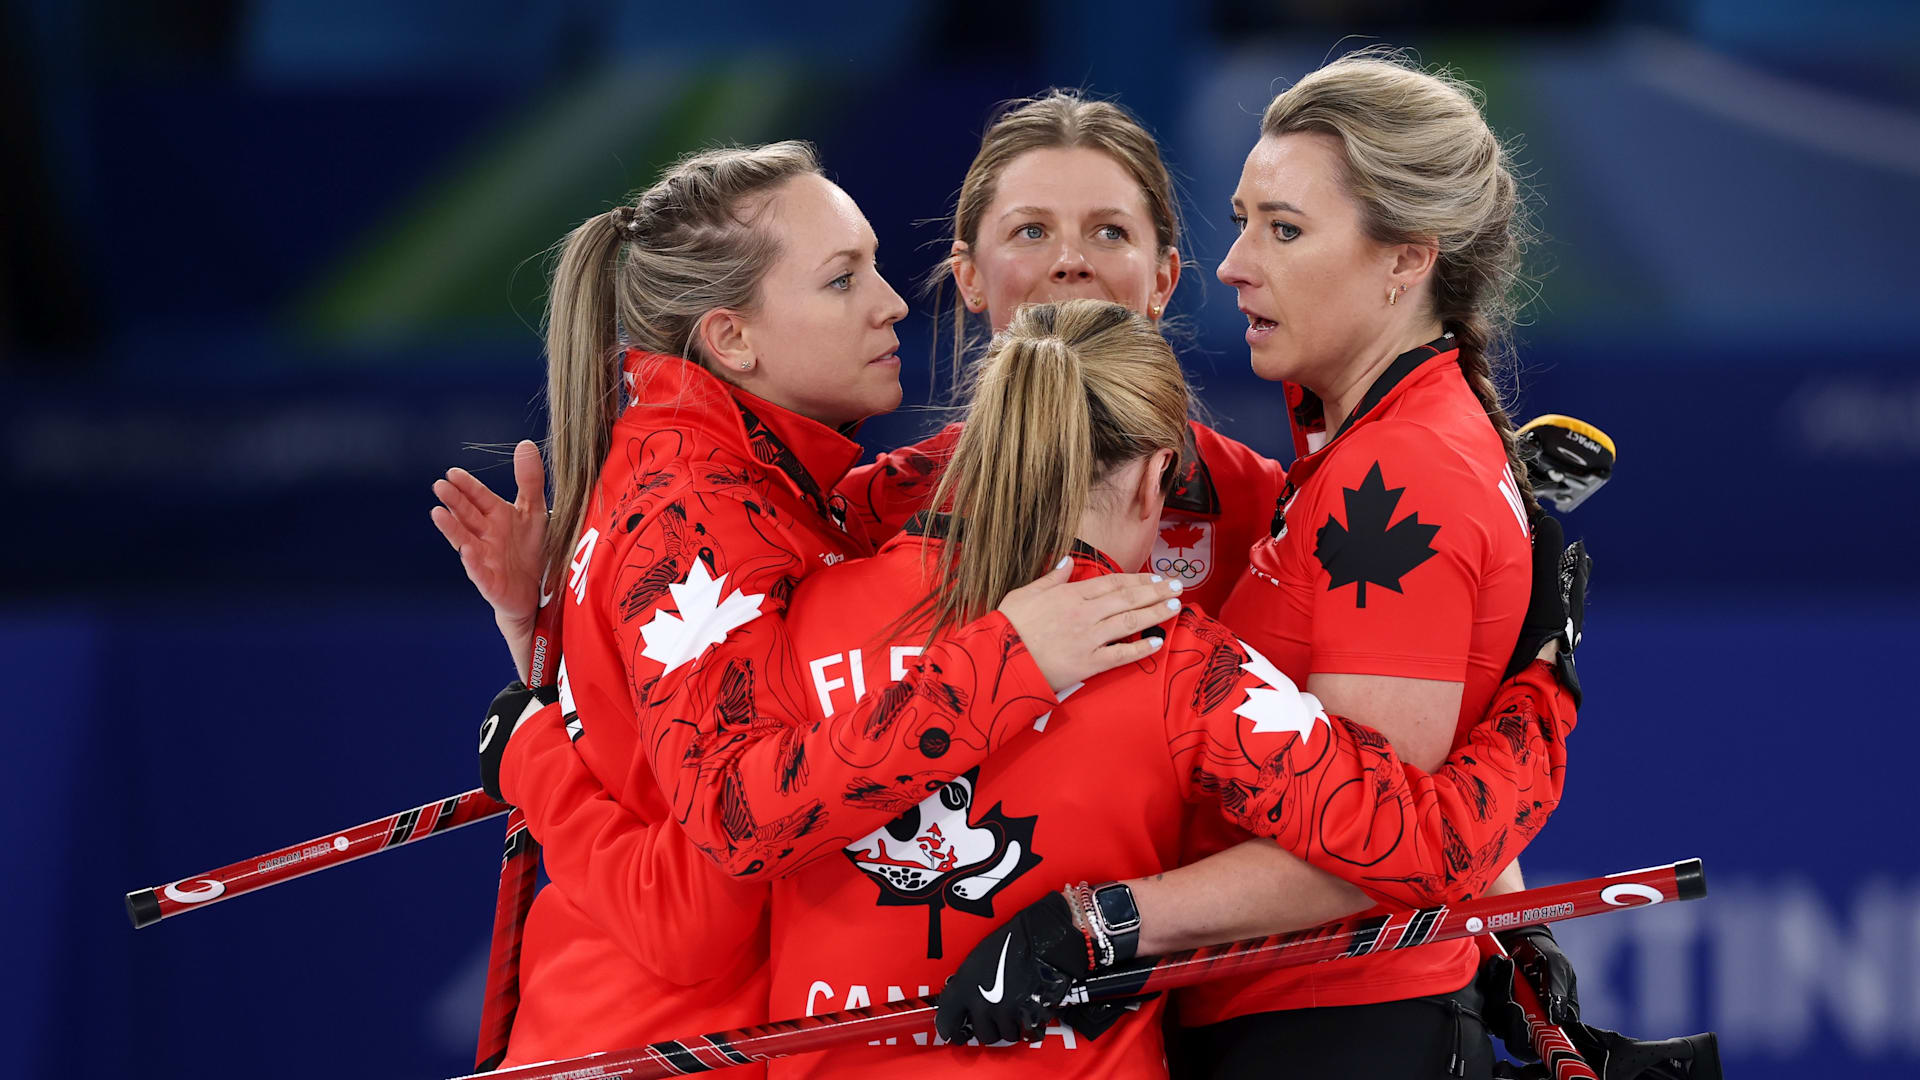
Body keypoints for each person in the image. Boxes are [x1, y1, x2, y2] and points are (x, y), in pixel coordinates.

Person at [429, 141, 1182, 1067]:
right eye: (841, 280)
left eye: (874, 265)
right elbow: (707, 881)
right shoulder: (695, 515)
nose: (891, 303)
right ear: (731, 339)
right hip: (648, 1045)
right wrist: (1005, 664)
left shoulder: (748, 479)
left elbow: (640, 745)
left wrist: (533, 647)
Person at [767, 299, 1576, 1079]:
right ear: (1159, 474)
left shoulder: (807, 607)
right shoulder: (1174, 657)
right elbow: (1424, 846)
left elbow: (734, 832)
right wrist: (1542, 680)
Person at [1173, 50, 1561, 1076]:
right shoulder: (1385, 441)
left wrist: (1108, 919)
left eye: (1285, 229)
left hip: (1325, 1030)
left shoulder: (1397, 471)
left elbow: (1368, 846)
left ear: (1406, 259)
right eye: (1242, 220)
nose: (1234, 263)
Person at [840, 90, 1287, 619]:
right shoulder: (869, 512)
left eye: (1110, 232)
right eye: (1031, 231)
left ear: (1163, 280)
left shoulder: (1264, 504)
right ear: (970, 276)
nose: (1071, 260)